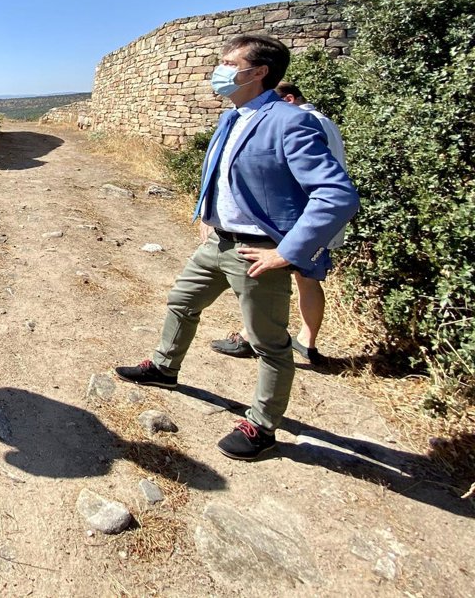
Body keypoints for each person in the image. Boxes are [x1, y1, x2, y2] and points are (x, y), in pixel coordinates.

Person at [114, 35, 359, 460]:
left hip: (257, 252)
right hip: (218, 241)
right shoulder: (233, 117)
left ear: (259, 72)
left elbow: (337, 195)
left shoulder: (290, 121)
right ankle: (165, 368)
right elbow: (222, 174)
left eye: (230, 62)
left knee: (268, 343)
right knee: (181, 301)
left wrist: (287, 252)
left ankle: (262, 427)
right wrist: (207, 215)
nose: (220, 69)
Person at [211, 81, 347, 365]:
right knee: (307, 280)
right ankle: (307, 341)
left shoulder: (299, 122)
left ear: (288, 99)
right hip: (316, 221)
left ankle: (253, 338)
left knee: (263, 279)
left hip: (298, 221)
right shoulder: (324, 121)